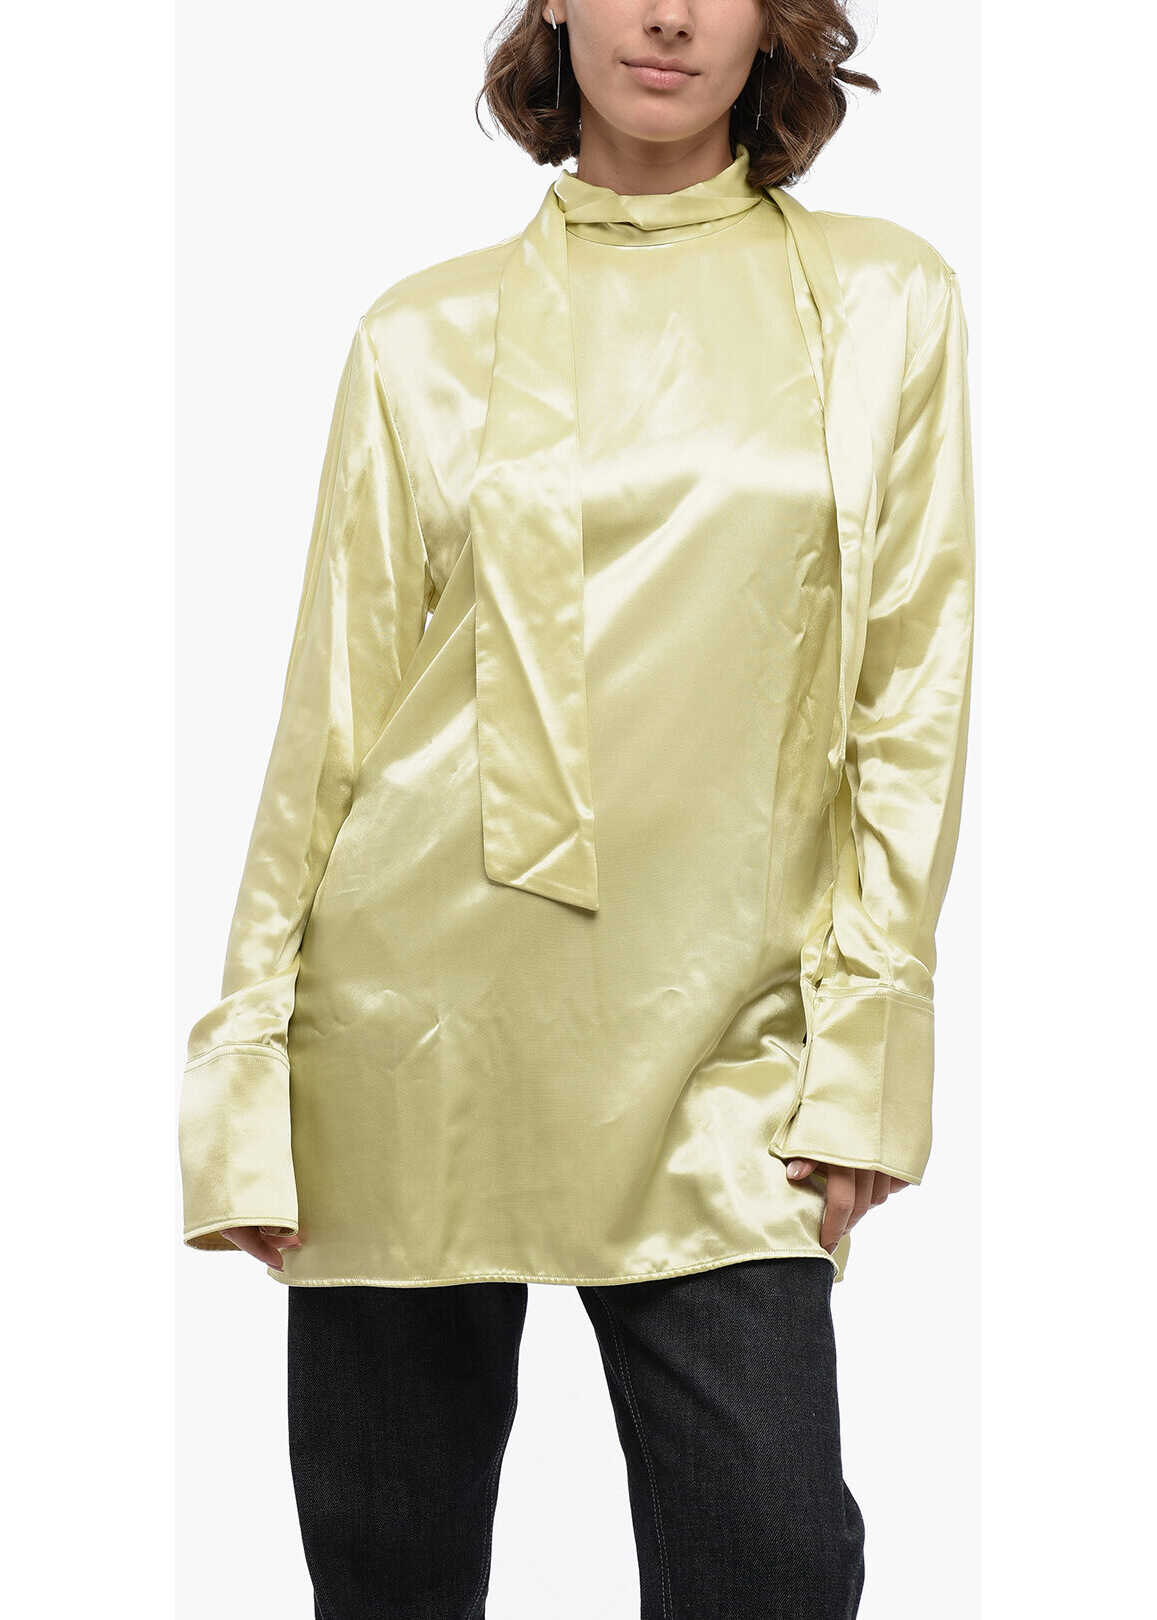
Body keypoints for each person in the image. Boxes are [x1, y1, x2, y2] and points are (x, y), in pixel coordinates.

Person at [178, 3, 975, 1615]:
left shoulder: (885, 298)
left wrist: (868, 1047)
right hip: (410, 1036)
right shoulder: (420, 333)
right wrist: (248, 1064)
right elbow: (331, 721)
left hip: (723, 1045)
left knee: (772, 1565)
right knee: (391, 1586)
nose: (666, 16)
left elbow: (908, 695)